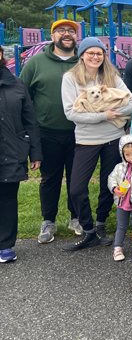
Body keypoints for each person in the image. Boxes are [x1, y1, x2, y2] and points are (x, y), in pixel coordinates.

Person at [61, 38, 132, 251]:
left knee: (108, 184)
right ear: (82, 55)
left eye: (99, 53)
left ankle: (101, 223)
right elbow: (71, 112)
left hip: (113, 137)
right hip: (86, 140)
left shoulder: (112, 77)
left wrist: (113, 113)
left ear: (104, 56)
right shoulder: (70, 79)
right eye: (91, 53)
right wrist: (104, 115)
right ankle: (87, 230)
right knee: (76, 188)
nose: (95, 57)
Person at [19, 19, 81, 243]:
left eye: (71, 31)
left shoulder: (84, 62)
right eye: (61, 31)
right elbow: (22, 96)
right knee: (50, 178)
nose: (67, 34)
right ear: (53, 36)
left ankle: (77, 217)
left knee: (77, 178)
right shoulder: (36, 63)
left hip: (80, 131)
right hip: (47, 131)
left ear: (76, 37)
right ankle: (48, 220)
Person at [0, 44, 42, 262]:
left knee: (7, 199)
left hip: (11, 151)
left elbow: (30, 120)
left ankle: (5, 245)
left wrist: (35, 152)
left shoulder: (16, 85)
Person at [107, 134, 132, 261]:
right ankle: (118, 248)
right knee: (121, 225)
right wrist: (114, 188)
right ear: (122, 154)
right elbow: (111, 178)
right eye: (128, 155)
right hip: (122, 201)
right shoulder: (119, 167)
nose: (131, 157)